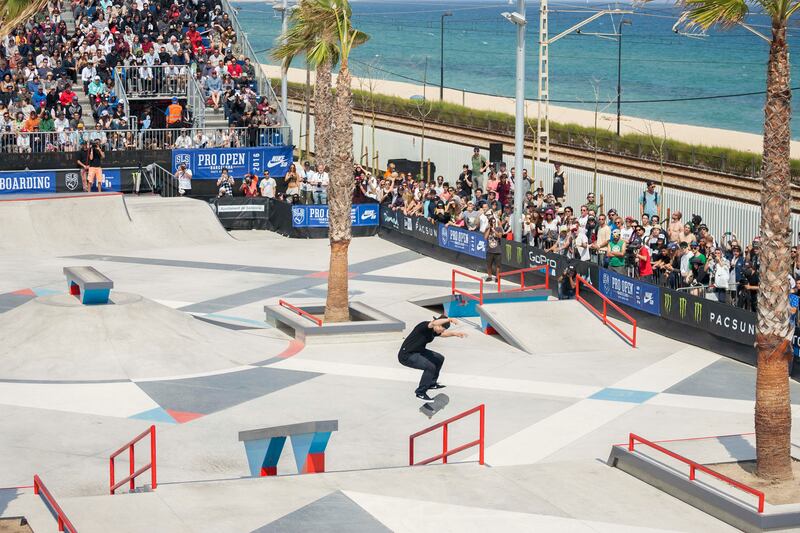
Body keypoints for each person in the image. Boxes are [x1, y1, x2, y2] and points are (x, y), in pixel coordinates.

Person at [397, 315, 467, 401]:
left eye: (444, 329)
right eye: (442, 328)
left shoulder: (434, 331)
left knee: (439, 358)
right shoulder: (424, 326)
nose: (442, 331)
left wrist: (455, 334)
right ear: (438, 324)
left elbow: (443, 334)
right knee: (430, 367)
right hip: (407, 355)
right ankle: (420, 393)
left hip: (419, 351)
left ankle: (431, 384)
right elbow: (433, 323)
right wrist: (449, 319)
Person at [484, 212, 503, 281]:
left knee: (498, 265)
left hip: (497, 250)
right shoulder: (487, 229)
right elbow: (485, 237)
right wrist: (489, 228)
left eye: (494, 222)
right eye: (492, 222)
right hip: (489, 250)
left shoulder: (499, 228)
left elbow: (500, 236)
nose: (493, 223)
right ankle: (489, 276)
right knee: (489, 264)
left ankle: (497, 277)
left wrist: (494, 230)